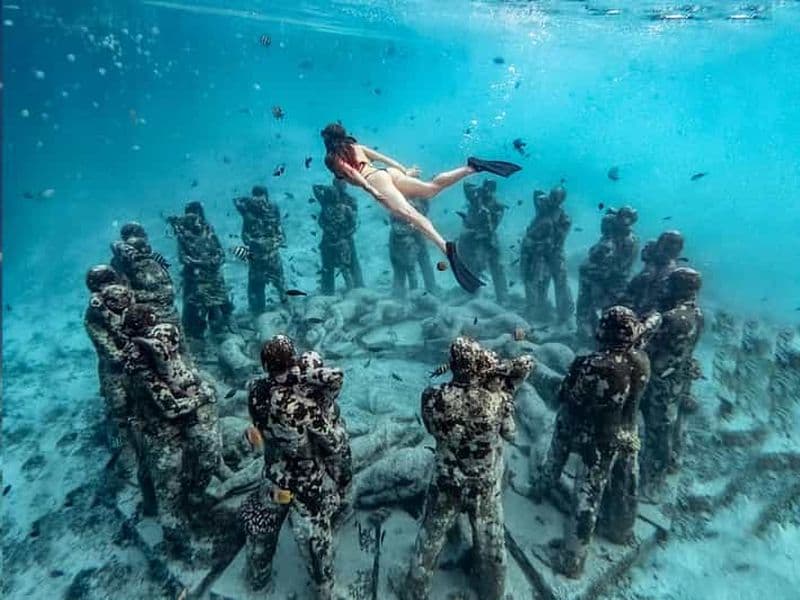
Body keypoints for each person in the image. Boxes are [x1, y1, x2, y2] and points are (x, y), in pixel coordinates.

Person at [398, 337, 533, 600]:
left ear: (452, 364)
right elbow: (511, 434)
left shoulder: (432, 397)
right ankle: (492, 590)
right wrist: (499, 374)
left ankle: (415, 590)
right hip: (484, 481)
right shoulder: (497, 400)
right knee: (492, 536)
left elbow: (431, 429)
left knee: (431, 536)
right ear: (479, 365)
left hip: (447, 479)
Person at [531, 306, 657, 578]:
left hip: (594, 438)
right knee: (626, 477)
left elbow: (571, 398)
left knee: (587, 495)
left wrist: (570, 378)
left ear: (604, 332)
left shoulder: (595, 365)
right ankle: (621, 528)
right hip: (627, 428)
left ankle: (571, 559)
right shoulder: (641, 359)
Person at [320, 123, 521, 293]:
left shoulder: (332, 158)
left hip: (375, 180)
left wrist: (371, 190)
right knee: (430, 189)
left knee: (411, 215)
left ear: (328, 139)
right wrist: (403, 170)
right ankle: (472, 167)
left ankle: (446, 248)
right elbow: (383, 159)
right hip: (386, 173)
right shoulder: (356, 147)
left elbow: (352, 174)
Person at [240, 335, 347, 599]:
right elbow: (332, 443)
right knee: (315, 540)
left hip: (274, 471)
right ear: (292, 360)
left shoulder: (255, 388)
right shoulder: (299, 406)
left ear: (265, 363)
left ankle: (257, 580)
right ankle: (325, 591)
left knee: (261, 527)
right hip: (305, 480)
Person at [641, 268, 703, 494]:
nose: (666, 287)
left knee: (656, 430)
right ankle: (664, 469)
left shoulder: (671, 318)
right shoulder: (697, 314)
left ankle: (652, 484)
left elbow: (649, 347)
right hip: (676, 380)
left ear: (679, 288)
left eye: (671, 284)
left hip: (658, 382)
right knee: (666, 426)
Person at [167, 201, 233, 341]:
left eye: (196, 213)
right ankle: (196, 338)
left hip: (213, 277)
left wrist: (214, 261)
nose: (194, 218)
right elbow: (183, 258)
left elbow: (220, 251)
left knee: (218, 307)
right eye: (191, 214)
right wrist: (204, 263)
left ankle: (219, 332)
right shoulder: (183, 234)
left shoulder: (208, 229)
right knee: (195, 311)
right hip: (195, 280)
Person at [520, 184, 573, 322]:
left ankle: (565, 316)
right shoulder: (542, 205)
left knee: (560, 281)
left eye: (557, 198)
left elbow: (558, 240)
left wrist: (541, 246)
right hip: (535, 250)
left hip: (553, 252)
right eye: (552, 196)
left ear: (561, 201)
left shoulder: (564, 218)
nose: (553, 200)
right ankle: (536, 309)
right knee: (533, 279)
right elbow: (536, 192)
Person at [234, 186, 287, 313]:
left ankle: (284, 307)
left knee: (277, 284)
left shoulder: (271, 209)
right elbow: (245, 237)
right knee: (261, 286)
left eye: (260, 195)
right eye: (256, 196)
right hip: (260, 257)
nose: (258, 200)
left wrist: (270, 243)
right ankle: (260, 313)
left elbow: (281, 234)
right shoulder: (249, 213)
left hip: (267, 256)